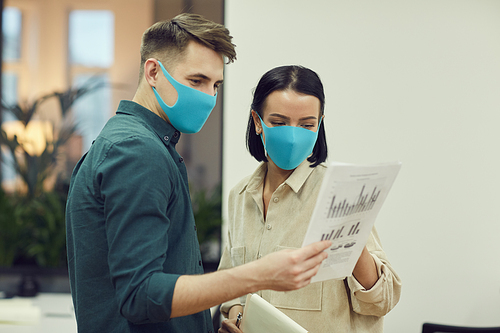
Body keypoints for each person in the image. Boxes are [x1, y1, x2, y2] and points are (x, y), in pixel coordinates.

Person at [65, 14, 331, 333]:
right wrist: (258, 275)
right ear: (153, 72)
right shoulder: (137, 152)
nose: (208, 96)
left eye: (215, 85)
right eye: (197, 81)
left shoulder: (133, 142)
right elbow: (141, 295)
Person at [218, 65, 402, 333]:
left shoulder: (338, 192)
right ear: (257, 122)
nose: (293, 135)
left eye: (306, 125)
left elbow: (383, 299)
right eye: (279, 123)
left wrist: (352, 236)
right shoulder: (240, 196)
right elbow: (230, 284)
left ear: (319, 125)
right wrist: (236, 317)